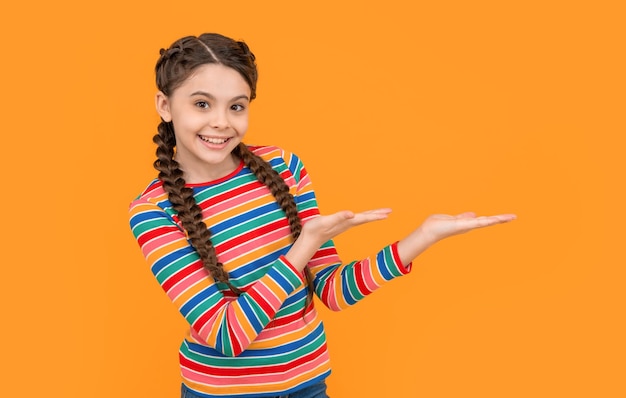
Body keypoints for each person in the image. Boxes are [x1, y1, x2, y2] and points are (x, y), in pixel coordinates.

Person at [128, 33, 516, 398]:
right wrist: (303, 246)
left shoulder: (283, 167)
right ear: (165, 105)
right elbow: (228, 335)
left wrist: (421, 238)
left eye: (236, 106)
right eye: (201, 104)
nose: (221, 122)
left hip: (308, 384)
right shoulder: (152, 211)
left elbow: (333, 291)